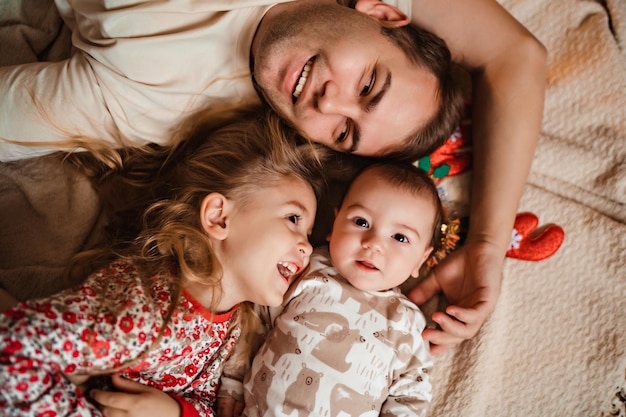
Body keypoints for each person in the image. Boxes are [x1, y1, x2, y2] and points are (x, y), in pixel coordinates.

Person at [0, 0, 548, 352]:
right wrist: (488, 245)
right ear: (381, 13)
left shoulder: (145, 105)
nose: (330, 101)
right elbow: (516, 53)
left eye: (342, 133)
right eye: (367, 85)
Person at [0, 107, 327, 417]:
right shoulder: (146, 309)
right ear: (219, 217)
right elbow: (13, 349)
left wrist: (175, 411)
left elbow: (200, 398)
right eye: (293, 218)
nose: (307, 248)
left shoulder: (233, 321)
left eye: (309, 233)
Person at [218, 161, 446, 417]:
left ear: (421, 260)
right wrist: (233, 383)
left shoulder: (406, 322)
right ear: (335, 224)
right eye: (361, 222)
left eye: (400, 238)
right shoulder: (306, 270)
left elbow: (411, 394)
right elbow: (254, 322)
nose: (373, 244)